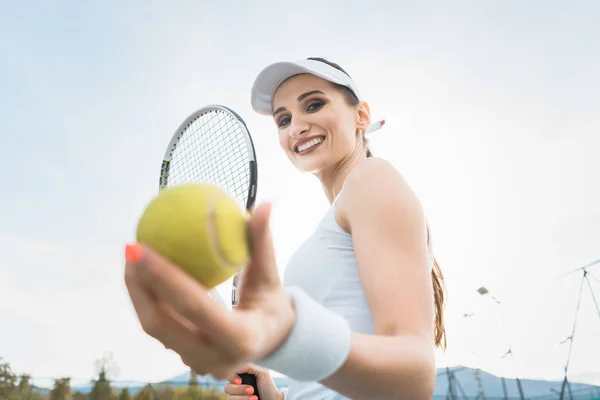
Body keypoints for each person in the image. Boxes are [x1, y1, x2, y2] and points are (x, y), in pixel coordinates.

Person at [123, 57, 446, 400]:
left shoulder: (372, 177)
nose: (296, 127)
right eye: (284, 119)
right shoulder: (339, 215)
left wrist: (284, 338)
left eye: (314, 104)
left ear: (361, 116)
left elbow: (414, 379)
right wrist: (275, 396)